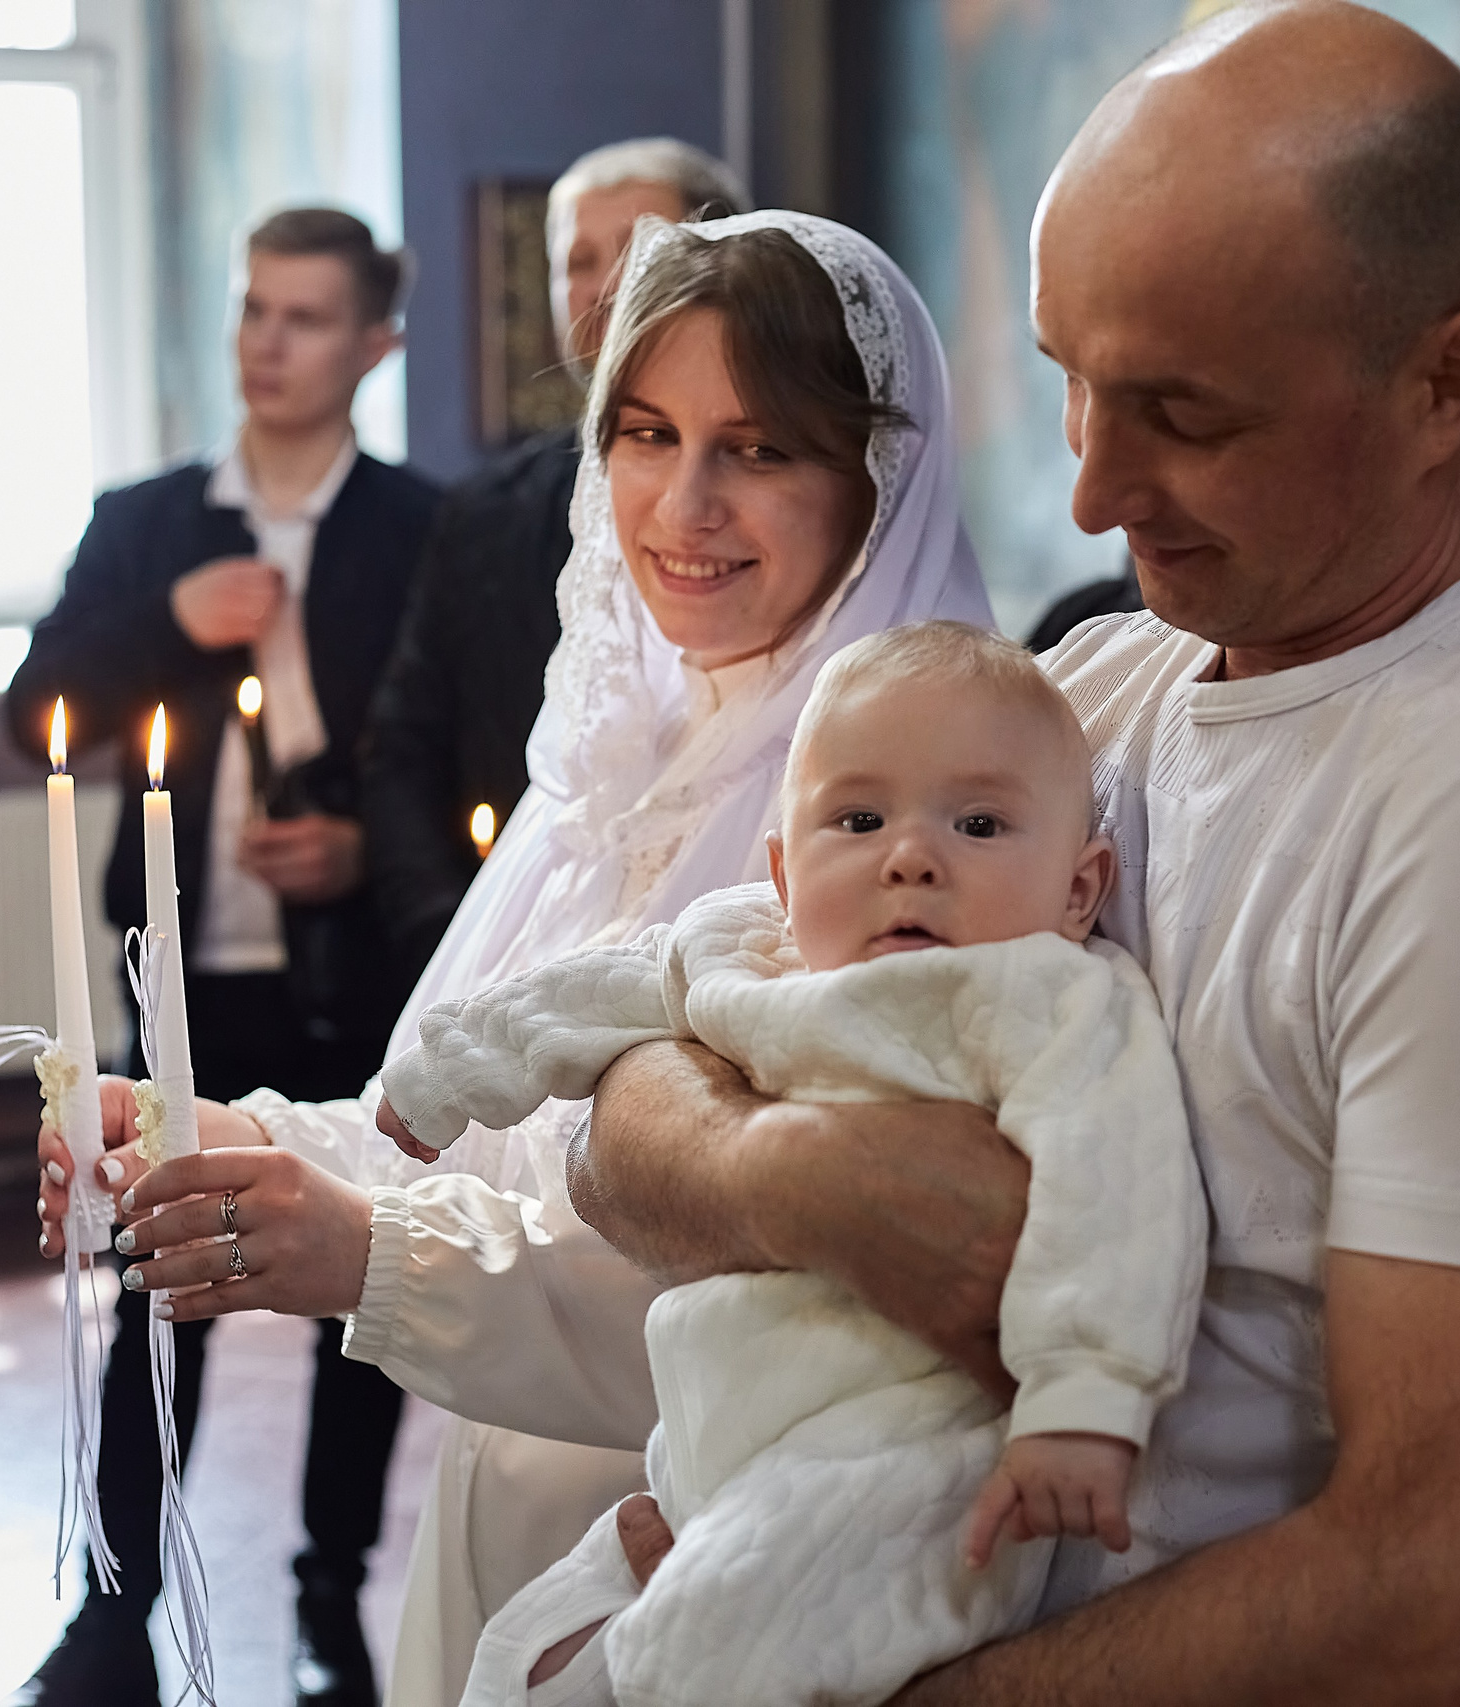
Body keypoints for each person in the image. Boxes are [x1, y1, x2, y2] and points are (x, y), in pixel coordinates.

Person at [567, 6, 1460, 1700]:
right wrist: (794, 1183)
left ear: (1450, 382)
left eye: (1184, 414)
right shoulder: (1099, 686)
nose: (1095, 489)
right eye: (1070, 381)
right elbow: (633, 1095)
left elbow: (1439, 1592)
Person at [43, 211, 996, 1707]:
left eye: (756, 449)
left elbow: (807, 1314)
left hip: (716, 1560)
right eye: (645, 432)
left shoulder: (908, 819)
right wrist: (215, 1134)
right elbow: (448, 1127)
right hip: (504, 1507)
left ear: (875, 474)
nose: (683, 503)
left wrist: (363, 1254)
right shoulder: (616, 759)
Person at [371, 621, 1205, 1707]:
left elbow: (1122, 1182)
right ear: (782, 865)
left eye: (981, 824)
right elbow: (579, 997)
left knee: (700, 1661)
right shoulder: (750, 952)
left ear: (1080, 888)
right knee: (516, 1653)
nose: (911, 855)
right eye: (856, 820)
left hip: (910, 1455)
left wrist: (1086, 1402)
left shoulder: (1047, 999)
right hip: (711, 1434)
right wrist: (439, 1079)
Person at [3, 208, 439, 1707]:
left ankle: (328, 1603)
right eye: (255, 309)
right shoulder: (149, 521)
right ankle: (111, 1605)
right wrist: (168, 619)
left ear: (375, 345)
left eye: (308, 317)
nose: (268, 342)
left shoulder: (421, 527)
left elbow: (456, 755)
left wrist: (365, 855)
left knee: (356, 1282)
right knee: (151, 1262)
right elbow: (35, 709)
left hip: (361, 968)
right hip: (185, 964)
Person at [365, 140, 748, 983]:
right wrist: (458, 929)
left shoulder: (766, 510)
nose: (607, 284)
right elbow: (406, 743)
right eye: (578, 260)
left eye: (639, 249)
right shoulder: (480, 513)